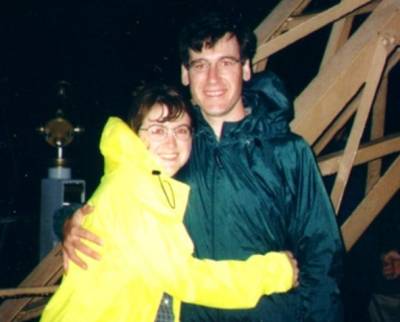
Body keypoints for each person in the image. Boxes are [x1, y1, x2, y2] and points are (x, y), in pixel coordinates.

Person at [59, 10, 344, 322]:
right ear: (185, 74)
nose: (213, 79)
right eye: (200, 65)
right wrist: (66, 222)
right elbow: (115, 201)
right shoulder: (170, 153)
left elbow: (322, 257)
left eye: (226, 63)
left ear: (246, 69)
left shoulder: (288, 153)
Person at [41, 83, 298, 322]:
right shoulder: (133, 187)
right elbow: (185, 278)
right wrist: (275, 271)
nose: (171, 143)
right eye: (157, 130)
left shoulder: (146, 181)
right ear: (134, 134)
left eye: (181, 130)